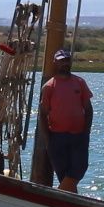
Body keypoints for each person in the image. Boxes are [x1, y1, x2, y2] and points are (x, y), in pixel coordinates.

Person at [40, 47, 94, 191]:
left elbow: (88, 109)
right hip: (57, 137)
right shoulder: (49, 86)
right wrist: (47, 139)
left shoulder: (79, 82)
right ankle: (67, 200)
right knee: (63, 175)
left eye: (67, 60)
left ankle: (57, 197)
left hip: (79, 135)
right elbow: (43, 114)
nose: (65, 63)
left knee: (80, 168)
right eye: (61, 61)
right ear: (55, 63)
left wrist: (86, 132)